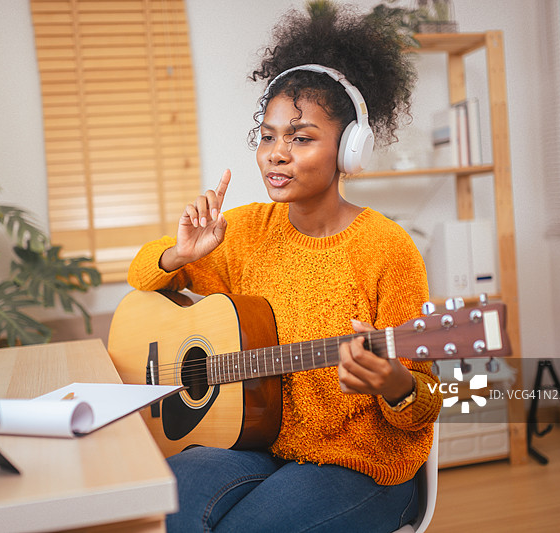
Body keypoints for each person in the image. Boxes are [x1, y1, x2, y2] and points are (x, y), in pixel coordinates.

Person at [127, 3, 442, 531]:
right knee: (158, 507)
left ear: (349, 150)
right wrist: (177, 257)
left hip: (363, 465)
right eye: (268, 136)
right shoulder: (247, 230)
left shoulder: (388, 249)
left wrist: (393, 382)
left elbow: (423, 399)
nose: (277, 154)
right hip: (261, 442)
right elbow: (142, 278)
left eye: (300, 138)